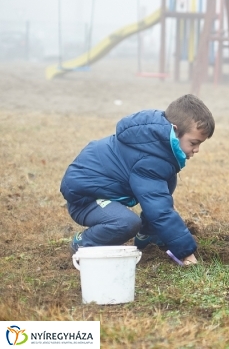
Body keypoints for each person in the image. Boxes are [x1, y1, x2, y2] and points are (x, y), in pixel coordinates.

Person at [60, 95, 214, 266]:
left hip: (105, 189)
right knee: (125, 223)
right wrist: (186, 252)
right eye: (193, 143)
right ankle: (83, 242)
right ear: (175, 131)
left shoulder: (158, 147)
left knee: (165, 182)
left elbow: (157, 199)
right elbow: (159, 209)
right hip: (85, 197)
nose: (197, 149)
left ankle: (147, 235)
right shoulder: (149, 160)